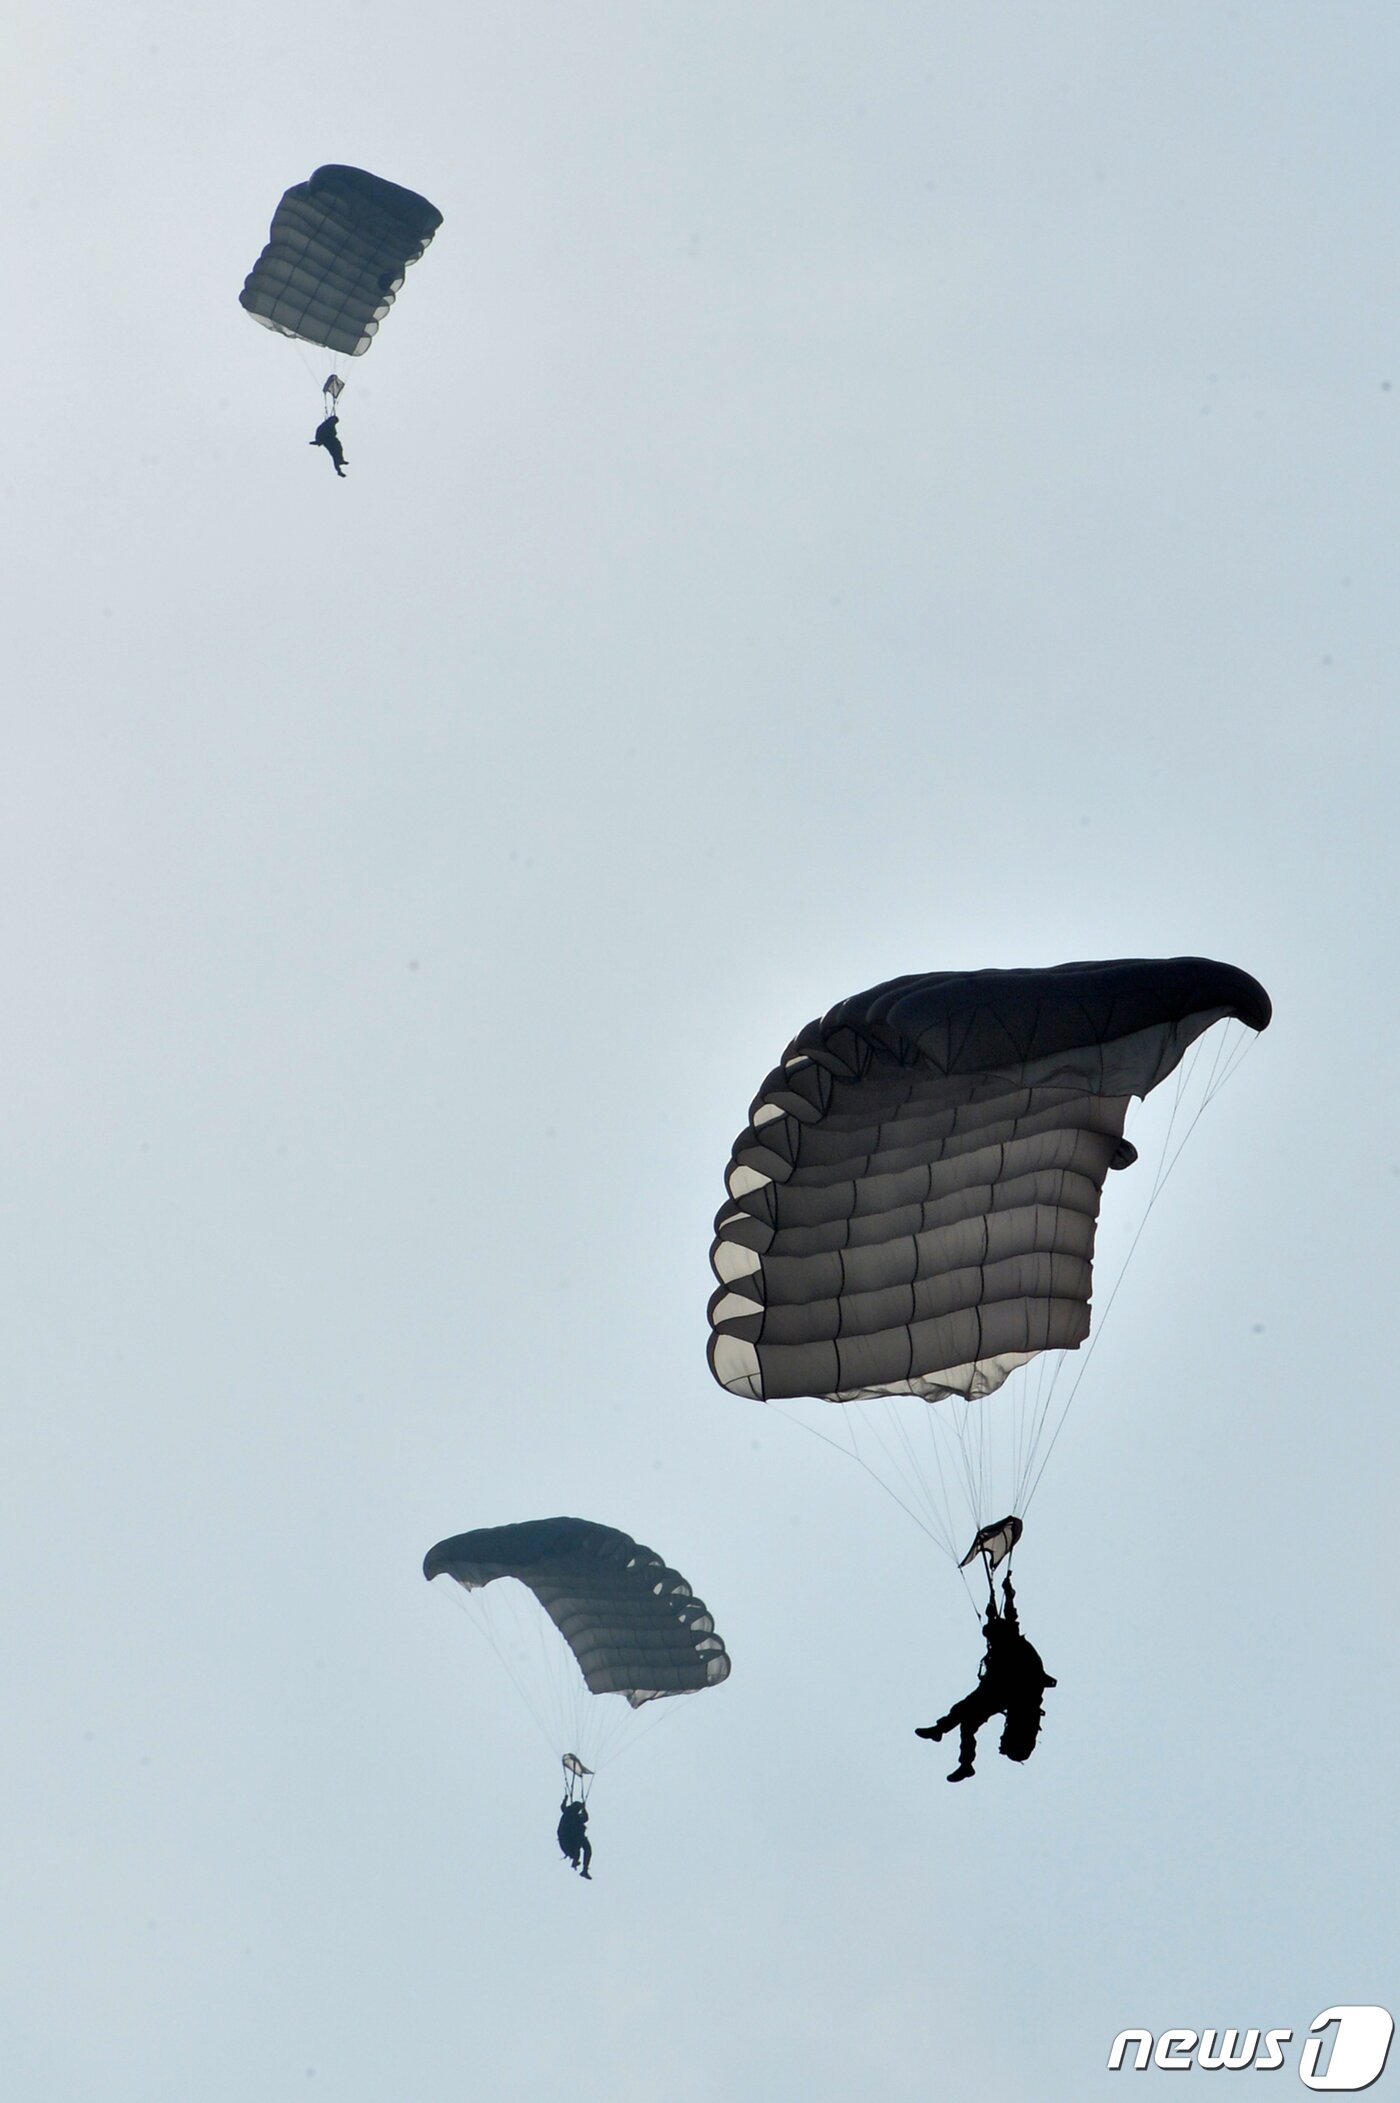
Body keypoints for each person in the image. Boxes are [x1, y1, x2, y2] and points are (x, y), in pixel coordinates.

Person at [916, 1575, 1056, 1782]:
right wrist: (997, 1600)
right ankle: (964, 1763)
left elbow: (1011, 1616)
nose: (989, 1640)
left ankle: (941, 1731)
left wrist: (1008, 1594)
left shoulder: (1011, 1642)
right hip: (1000, 1689)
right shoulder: (1001, 1644)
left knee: (964, 1710)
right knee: (967, 1723)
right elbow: (1002, 1621)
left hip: (1005, 1689)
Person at [557, 1796, 592, 1878]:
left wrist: (584, 1809)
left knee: (587, 1850)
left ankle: (584, 1869)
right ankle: (580, 1865)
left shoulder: (571, 1813)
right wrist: (565, 1800)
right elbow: (584, 1818)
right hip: (572, 1839)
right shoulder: (570, 1814)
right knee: (580, 1850)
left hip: (577, 1838)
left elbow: (585, 1818)